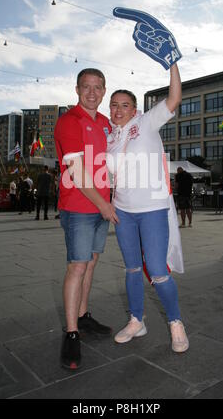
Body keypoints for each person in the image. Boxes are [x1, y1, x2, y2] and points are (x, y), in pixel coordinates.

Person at [106, 63, 189, 353]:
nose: (118, 110)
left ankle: (176, 323)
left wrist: (173, 63)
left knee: (156, 269)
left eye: (124, 105)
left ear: (134, 109)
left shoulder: (146, 122)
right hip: (123, 212)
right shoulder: (110, 138)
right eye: (113, 105)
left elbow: (174, 97)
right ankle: (136, 320)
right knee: (131, 268)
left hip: (152, 208)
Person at [54, 68, 118, 370]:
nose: (92, 93)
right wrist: (105, 206)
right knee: (77, 266)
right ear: (77, 89)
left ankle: (82, 315)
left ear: (104, 91)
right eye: (86, 87)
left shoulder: (106, 123)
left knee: (91, 262)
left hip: (100, 207)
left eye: (97, 87)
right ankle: (71, 334)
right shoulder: (69, 121)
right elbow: (77, 172)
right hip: (79, 207)